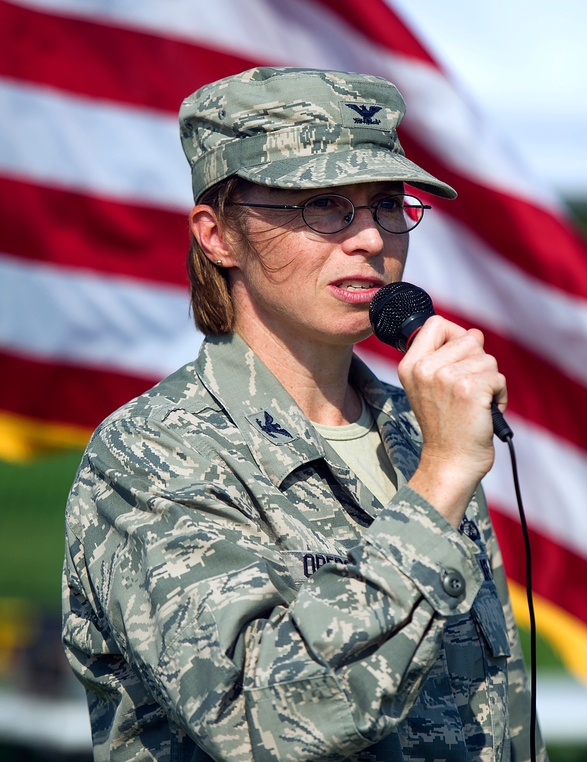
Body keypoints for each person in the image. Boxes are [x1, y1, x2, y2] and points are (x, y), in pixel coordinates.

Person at [61, 66, 544, 761]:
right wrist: (439, 482)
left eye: (386, 204)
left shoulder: (417, 430)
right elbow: (267, 725)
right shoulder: (151, 455)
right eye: (322, 204)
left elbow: (499, 715)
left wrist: (437, 463)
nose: (372, 240)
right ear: (217, 235)